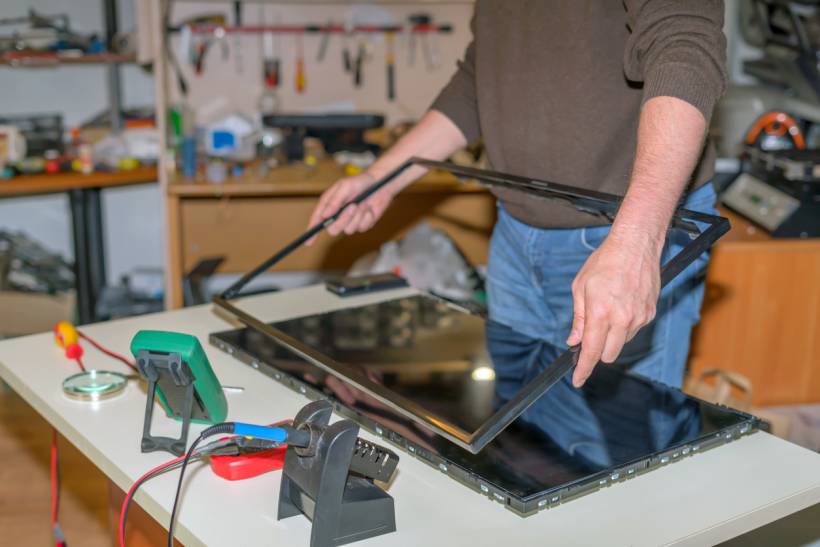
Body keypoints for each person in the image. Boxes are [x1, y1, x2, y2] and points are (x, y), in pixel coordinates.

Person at [307, 1, 727, 389]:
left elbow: (685, 46)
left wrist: (638, 242)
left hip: (622, 237)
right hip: (515, 232)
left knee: (625, 449)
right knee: (522, 444)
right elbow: (482, 74)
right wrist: (381, 177)